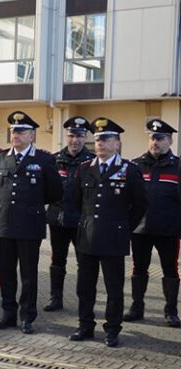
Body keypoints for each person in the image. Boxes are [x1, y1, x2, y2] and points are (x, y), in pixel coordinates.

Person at [69, 117, 147, 347]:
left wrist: (122, 226)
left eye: (105, 139)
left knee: (114, 288)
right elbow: (75, 201)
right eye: (97, 139)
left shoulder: (129, 169)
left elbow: (140, 204)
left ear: (117, 143)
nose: (100, 144)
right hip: (87, 237)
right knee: (85, 286)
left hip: (114, 237)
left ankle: (112, 329)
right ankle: (85, 325)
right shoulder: (84, 169)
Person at [0, 111, 62, 334]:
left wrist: (31, 206)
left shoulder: (44, 159)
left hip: (29, 225)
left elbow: (55, 192)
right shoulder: (0, 157)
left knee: (28, 275)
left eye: (21, 131)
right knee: (7, 272)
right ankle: (8, 314)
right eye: (13, 131)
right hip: (4, 224)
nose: (16, 134)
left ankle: (27, 316)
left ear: (32, 135)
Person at [123, 119, 181, 328]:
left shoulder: (178, 166)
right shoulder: (135, 165)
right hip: (140, 229)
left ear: (170, 141)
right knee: (139, 269)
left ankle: (171, 311)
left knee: (170, 270)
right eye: (152, 138)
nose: (155, 142)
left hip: (168, 229)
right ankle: (137, 307)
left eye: (160, 138)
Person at [44, 116, 94, 311]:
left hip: (81, 222)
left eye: (80, 136)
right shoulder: (54, 160)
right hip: (58, 220)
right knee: (57, 261)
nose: (75, 140)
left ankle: (84, 299)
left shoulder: (92, 162)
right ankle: (55, 298)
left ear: (85, 138)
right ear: (66, 136)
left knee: (84, 262)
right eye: (72, 135)